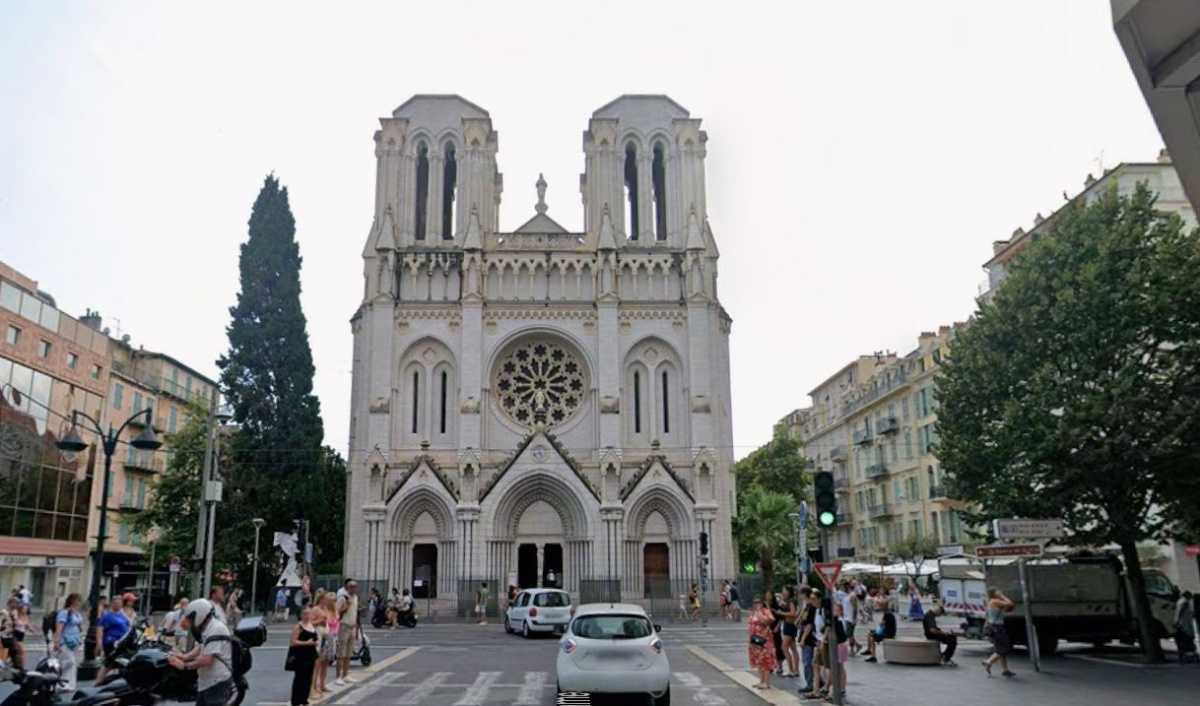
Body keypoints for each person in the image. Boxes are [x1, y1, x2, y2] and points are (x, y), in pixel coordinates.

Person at [168, 599, 234, 706]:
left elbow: (206, 660)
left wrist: (185, 666)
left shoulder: (216, 629)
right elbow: (201, 646)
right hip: (206, 682)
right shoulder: (207, 628)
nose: (189, 621)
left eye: (190, 618)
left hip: (217, 682)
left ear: (199, 614)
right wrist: (184, 656)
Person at [287, 607, 319, 706]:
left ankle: (304, 699)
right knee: (299, 678)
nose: (307, 616)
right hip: (301, 655)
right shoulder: (298, 627)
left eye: (308, 614)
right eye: (305, 614)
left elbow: (315, 638)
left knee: (308, 678)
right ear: (301, 615)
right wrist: (306, 643)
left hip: (311, 654)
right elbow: (293, 642)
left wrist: (315, 642)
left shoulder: (311, 625)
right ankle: (295, 701)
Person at [51, 593, 84, 691]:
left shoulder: (76, 613)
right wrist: (56, 642)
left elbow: (80, 627)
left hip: (74, 641)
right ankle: (62, 682)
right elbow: (59, 628)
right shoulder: (64, 613)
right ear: (72, 601)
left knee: (71, 663)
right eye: (77, 600)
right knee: (69, 662)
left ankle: (67, 684)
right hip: (65, 640)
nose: (79, 603)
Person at [96, 595, 131, 681]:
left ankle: (104, 681)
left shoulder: (122, 615)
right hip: (111, 643)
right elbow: (100, 629)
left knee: (112, 665)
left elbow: (129, 624)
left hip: (122, 643)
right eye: (116, 603)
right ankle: (99, 682)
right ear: (112, 604)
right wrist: (99, 644)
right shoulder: (107, 616)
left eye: (120, 603)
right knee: (108, 664)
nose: (118, 605)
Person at [982, 587, 1016, 678]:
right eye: (998, 591)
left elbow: (1008, 608)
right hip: (998, 628)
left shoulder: (991, 602)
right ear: (994, 593)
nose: (1000, 591)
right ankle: (988, 662)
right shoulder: (995, 601)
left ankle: (1005, 670)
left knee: (1001, 648)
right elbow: (1010, 603)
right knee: (1004, 648)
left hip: (993, 627)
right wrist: (1002, 596)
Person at [747, 595, 777, 690]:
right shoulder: (753, 612)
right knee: (758, 660)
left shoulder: (765, 611)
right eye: (755, 602)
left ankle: (766, 682)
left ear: (762, 603)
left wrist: (761, 616)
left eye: (759, 602)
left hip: (764, 639)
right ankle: (761, 681)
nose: (757, 604)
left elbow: (770, 620)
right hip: (755, 640)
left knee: (766, 660)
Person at [334, 579, 359, 686]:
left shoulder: (356, 597)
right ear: (347, 588)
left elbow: (355, 613)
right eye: (351, 586)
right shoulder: (343, 598)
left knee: (349, 653)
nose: (353, 588)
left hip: (352, 626)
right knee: (341, 653)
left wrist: (357, 628)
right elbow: (337, 612)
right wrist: (347, 605)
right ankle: (338, 676)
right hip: (343, 626)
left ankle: (346, 674)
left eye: (355, 586)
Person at [313, 593, 338, 697]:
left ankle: (322, 684)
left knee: (325, 663)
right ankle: (314, 686)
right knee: (317, 663)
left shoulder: (326, 609)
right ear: (321, 599)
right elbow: (310, 622)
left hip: (328, 636)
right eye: (326, 599)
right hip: (320, 637)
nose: (327, 602)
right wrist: (320, 621)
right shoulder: (315, 609)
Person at [797, 588, 819, 695]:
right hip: (805, 636)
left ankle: (810, 684)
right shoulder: (806, 607)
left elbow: (809, 625)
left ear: (804, 595)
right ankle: (814, 682)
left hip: (809, 638)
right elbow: (802, 621)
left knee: (807, 662)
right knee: (808, 662)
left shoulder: (811, 608)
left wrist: (803, 639)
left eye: (800, 594)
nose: (799, 596)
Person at [862, 596, 896, 663]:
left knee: (872, 637)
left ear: (883, 606)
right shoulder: (887, 613)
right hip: (887, 631)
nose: (879, 607)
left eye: (880, 605)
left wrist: (876, 631)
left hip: (888, 633)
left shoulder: (887, 614)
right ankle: (869, 650)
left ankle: (873, 657)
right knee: (870, 633)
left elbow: (882, 625)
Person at [778, 587, 800, 678]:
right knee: (793, 648)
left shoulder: (791, 601)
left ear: (789, 592)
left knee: (784, 647)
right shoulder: (789, 601)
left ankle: (791, 669)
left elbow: (793, 613)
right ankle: (796, 670)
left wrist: (782, 613)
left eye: (785, 590)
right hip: (789, 624)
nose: (783, 592)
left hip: (790, 625)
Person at [1176, 590, 1197, 660]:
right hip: (1184, 623)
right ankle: (1188, 654)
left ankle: (1183, 654)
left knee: (1183, 639)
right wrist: (1177, 620)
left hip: (1183, 622)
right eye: (1190, 596)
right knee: (1187, 638)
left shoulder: (1180, 601)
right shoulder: (1184, 602)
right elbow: (1179, 612)